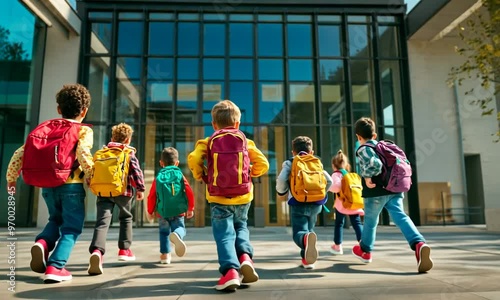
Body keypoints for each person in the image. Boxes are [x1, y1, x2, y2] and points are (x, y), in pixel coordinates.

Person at [6, 84, 94, 283]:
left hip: (48, 186)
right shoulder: (82, 130)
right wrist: (91, 175)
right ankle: (56, 267)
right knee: (71, 228)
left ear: (59, 109)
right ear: (84, 111)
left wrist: (11, 178)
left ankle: (43, 243)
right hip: (71, 186)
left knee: (55, 219)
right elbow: (83, 153)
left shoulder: (46, 127)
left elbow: (20, 153)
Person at [188, 100, 269, 291]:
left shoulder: (207, 142)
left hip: (218, 197)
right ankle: (245, 257)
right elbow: (263, 164)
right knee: (241, 227)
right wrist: (249, 174)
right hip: (243, 195)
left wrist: (200, 175)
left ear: (214, 125)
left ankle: (230, 272)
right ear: (238, 124)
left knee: (224, 235)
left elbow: (193, 159)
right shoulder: (246, 142)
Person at [352, 117, 433, 273]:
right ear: (374, 135)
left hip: (376, 191)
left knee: (370, 222)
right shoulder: (385, 146)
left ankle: (365, 250)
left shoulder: (363, 148)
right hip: (395, 188)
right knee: (401, 217)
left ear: (358, 137)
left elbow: (375, 164)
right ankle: (418, 244)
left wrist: (368, 177)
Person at [87, 123, 145, 276]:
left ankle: (97, 252)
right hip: (122, 192)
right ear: (128, 140)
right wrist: (140, 189)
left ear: (112, 137)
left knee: (102, 222)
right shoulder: (128, 152)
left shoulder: (102, 152)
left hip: (103, 191)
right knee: (126, 218)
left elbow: (93, 172)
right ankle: (124, 250)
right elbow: (136, 172)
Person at [276, 136, 333, 270]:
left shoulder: (290, 162)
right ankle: (308, 261)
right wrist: (321, 193)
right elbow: (329, 181)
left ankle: (307, 248)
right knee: (309, 230)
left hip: (298, 201)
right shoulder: (316, 162)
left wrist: (281, 192)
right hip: (316, 204)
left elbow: (281, 179)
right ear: (311, 151)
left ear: (293, 152)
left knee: (300, 233)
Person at [146, 147, 195, 264]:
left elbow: (151, 195)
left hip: (162, 212)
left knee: (164, 233)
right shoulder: (180, 176)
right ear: (177, 163)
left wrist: (150, 210)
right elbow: (189, 191)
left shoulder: (158, 177)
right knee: (181, 228)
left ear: (161, 163)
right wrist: (190, 208)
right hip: (178, 211)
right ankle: (177, 234)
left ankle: (165, 256)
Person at [329, 150, 364, 255]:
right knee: (357, 223)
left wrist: (327, 187)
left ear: (333, 165)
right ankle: (363, 244)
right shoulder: (350, 175)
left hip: (342, 204)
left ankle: (337, 246)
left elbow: (336, 187)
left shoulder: (336, 175)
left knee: (339, 224)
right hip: (353, 203)